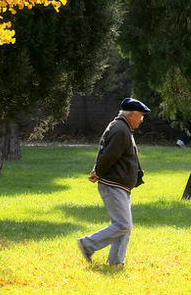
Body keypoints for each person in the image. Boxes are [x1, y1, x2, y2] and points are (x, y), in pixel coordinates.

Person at [76, 97, 150, 267]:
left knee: (125, 226)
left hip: (119, 185)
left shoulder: (121, 127)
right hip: (113, 184)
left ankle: (116, 262)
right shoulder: (120, 130)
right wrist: (98, 172)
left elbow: (107, 153)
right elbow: (108, 155)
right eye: (140, 115)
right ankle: (88, 244)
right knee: (123, 225)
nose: (142, 119)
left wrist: (97, 171)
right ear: (131, 115)